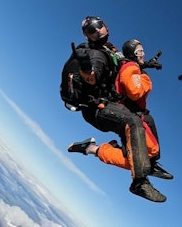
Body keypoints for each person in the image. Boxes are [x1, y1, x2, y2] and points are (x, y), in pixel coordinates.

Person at [66, 16, 167, 202]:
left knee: (145, 122)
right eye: (91, 30)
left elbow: (122, 62)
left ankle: (148, 162)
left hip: (108, 104)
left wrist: (144, 65)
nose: (97, 31)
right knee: (133, 123)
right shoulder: (95, 55)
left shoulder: (109, 48)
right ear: (87, 36)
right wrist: (86, 70)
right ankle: (139, 182)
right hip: (95, 109)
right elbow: (92, 79)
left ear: (105, 26)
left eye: (99, 26)